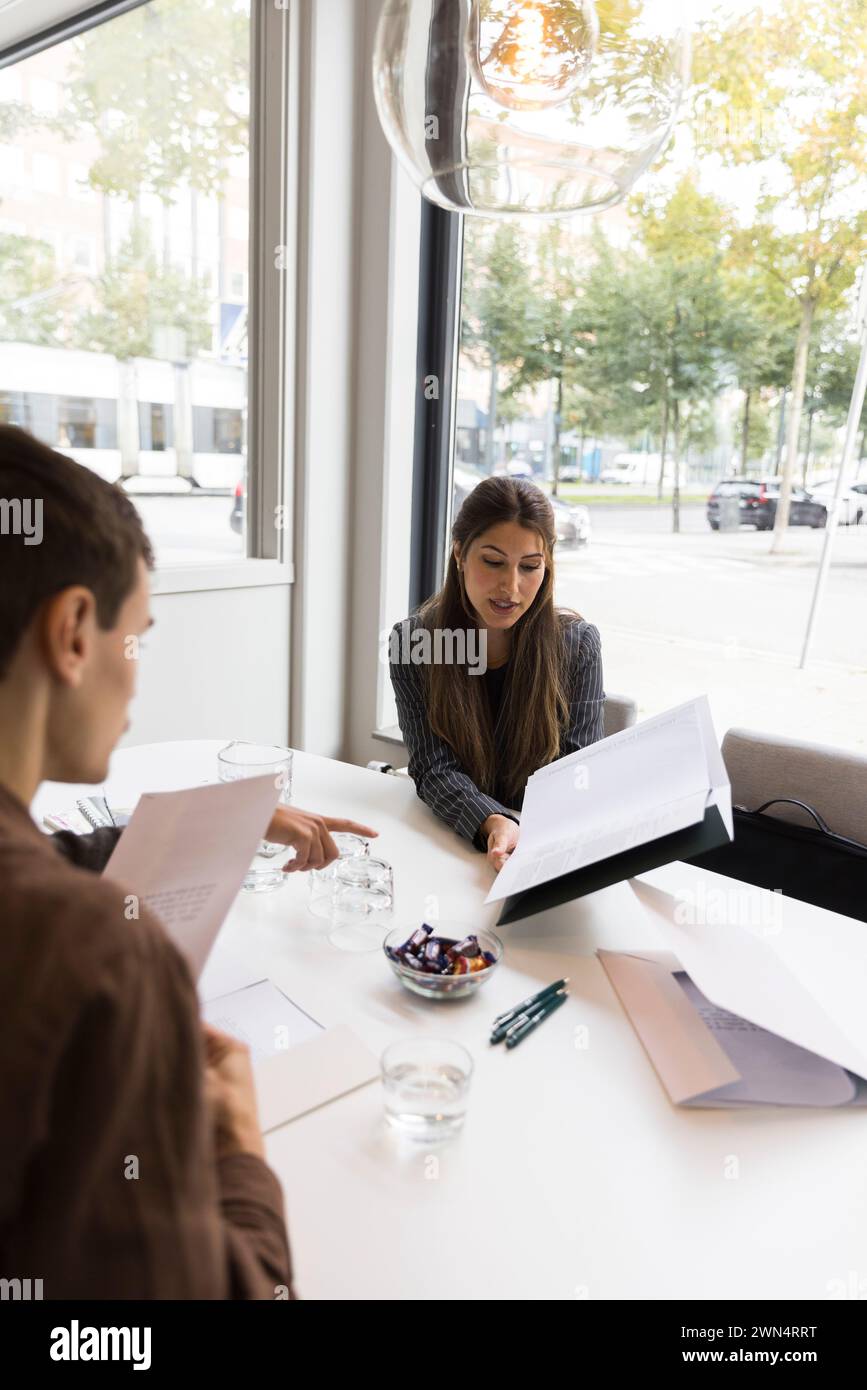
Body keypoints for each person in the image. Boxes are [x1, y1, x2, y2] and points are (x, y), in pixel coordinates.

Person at [0, 424, 374, 1298]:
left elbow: (51, 851)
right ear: (73, 632)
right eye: (140, 636)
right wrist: (241, 1152)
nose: (137, 677)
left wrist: (232, 822)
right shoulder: (97, 956)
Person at [390, 476, 604, 872]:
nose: (511, 587)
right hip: (455, 847)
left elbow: (577, 775)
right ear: (459, 554)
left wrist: (522, 833)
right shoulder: (415, 642)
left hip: (544, 855)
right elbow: (433, 768)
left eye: (530, 566)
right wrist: (493, 823)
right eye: (493, 562)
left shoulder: (577, 646)